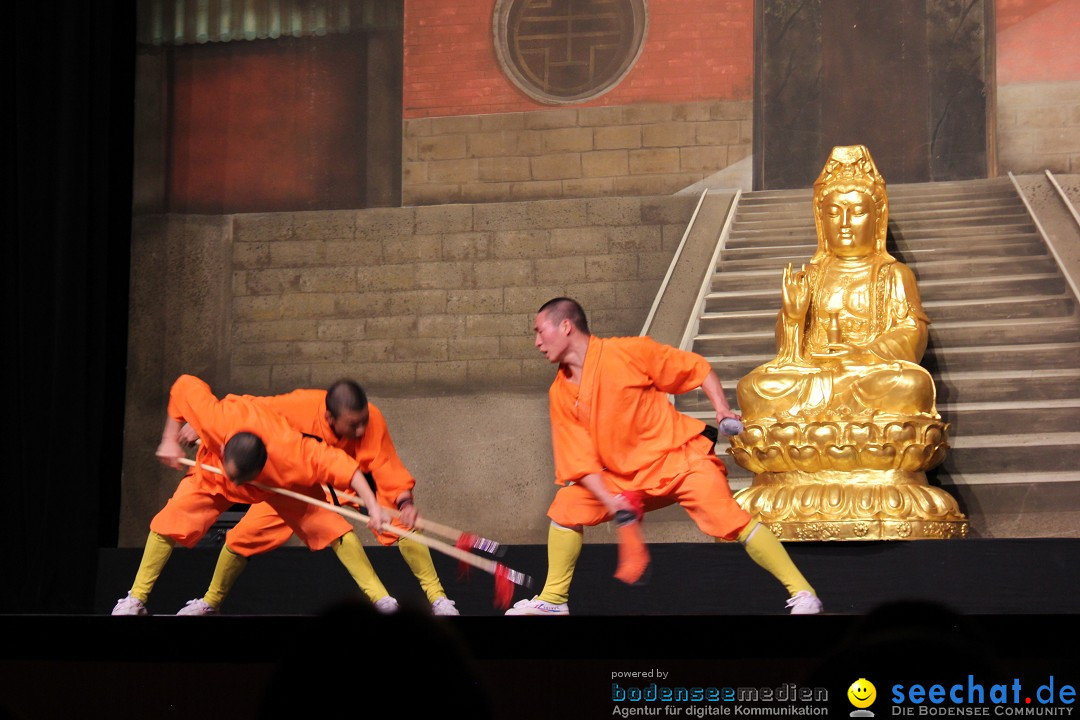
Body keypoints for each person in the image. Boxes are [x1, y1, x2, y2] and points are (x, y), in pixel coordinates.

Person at [505, 297, 822, 616]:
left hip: (681, 461)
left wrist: (722, 408)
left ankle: (804, 592)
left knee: (731, 519)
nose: (536, 342)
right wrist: (611, 501)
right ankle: (554, 600)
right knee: (568, 505)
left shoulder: (629, 352)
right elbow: (578, 461)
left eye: (539, 331)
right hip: (622, 478)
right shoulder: (560, 393)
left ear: (565, 326)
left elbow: (697, 369)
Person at [174, 380, 459, 616]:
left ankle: (438, 599)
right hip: (299, 487)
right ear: (329, 417)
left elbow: (387, 466)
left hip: (352, 484)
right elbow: (249, 408)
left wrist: (404, 504)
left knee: (401, 523)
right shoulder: (300, 405)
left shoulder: (372, 421)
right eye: (353, 425)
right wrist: (202, 424)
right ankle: (210, 602)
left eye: (363, 423)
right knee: (242, 538)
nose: (361, 430)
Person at [111, 374, 389, 615]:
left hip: (279, 484)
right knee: (170, 520)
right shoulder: (215, 420)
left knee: (331, 527)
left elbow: (344, 467)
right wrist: (169, 439)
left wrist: (373, 506)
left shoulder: (291, 452)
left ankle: (383, 600)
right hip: (215, 473)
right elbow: (184, 385)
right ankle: (136, 598)